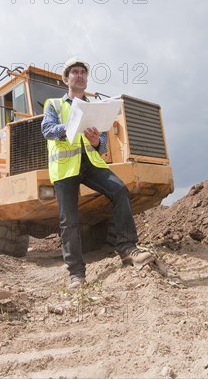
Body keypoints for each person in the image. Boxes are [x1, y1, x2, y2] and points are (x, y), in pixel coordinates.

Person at [41, 57, 155, 289]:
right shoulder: (53, 104)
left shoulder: (93, 106)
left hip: (90, 163)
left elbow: (102, 145)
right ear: (66, 79)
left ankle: (127, 249)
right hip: (65, 169)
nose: (80, 75)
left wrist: (95, 141)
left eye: (83, 72)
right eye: (75, 71)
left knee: (119, 190)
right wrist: (70, 125)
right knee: (69, 220)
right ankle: (76, 274)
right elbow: (47, 130)